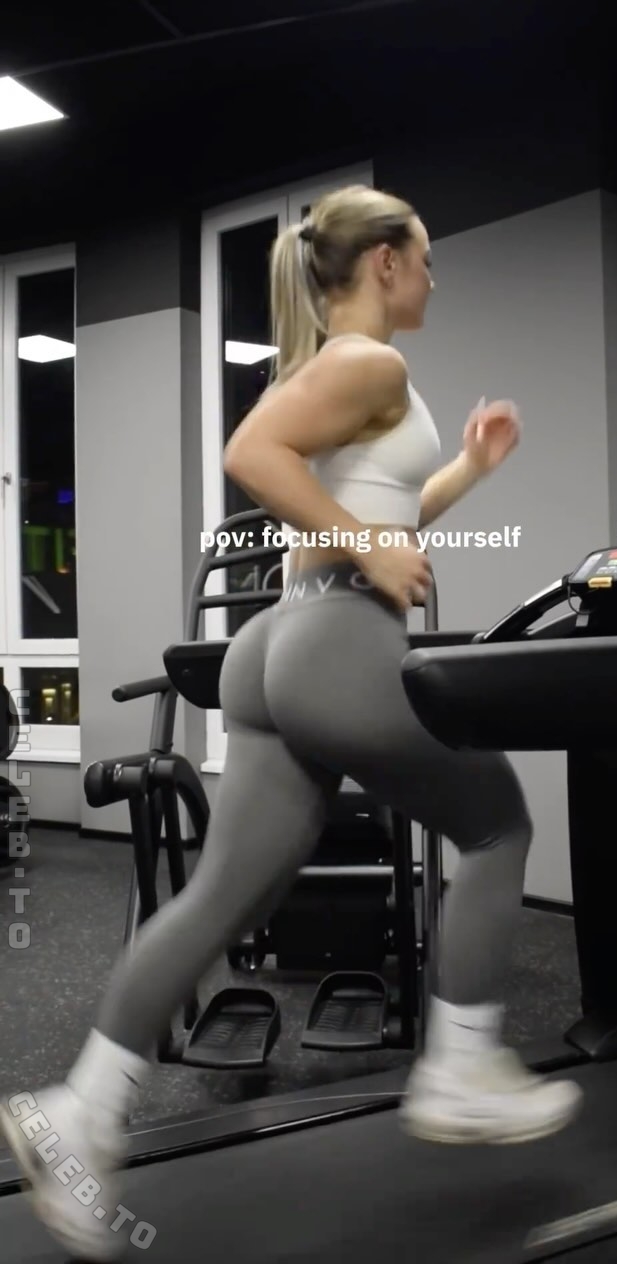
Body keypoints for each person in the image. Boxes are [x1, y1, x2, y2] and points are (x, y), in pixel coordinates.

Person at [1, 184, 581, 1261]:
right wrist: (368, 547)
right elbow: (253, 456)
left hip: (275, 643)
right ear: (385, 263)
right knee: (499, 827)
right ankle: (462, 1064)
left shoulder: (353, 369)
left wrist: (467, 469)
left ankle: (81, 1109)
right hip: (333, 639)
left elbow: (382, 512)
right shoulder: (371, 363)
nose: (435, 274)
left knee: (227, 892)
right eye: (426, 255)